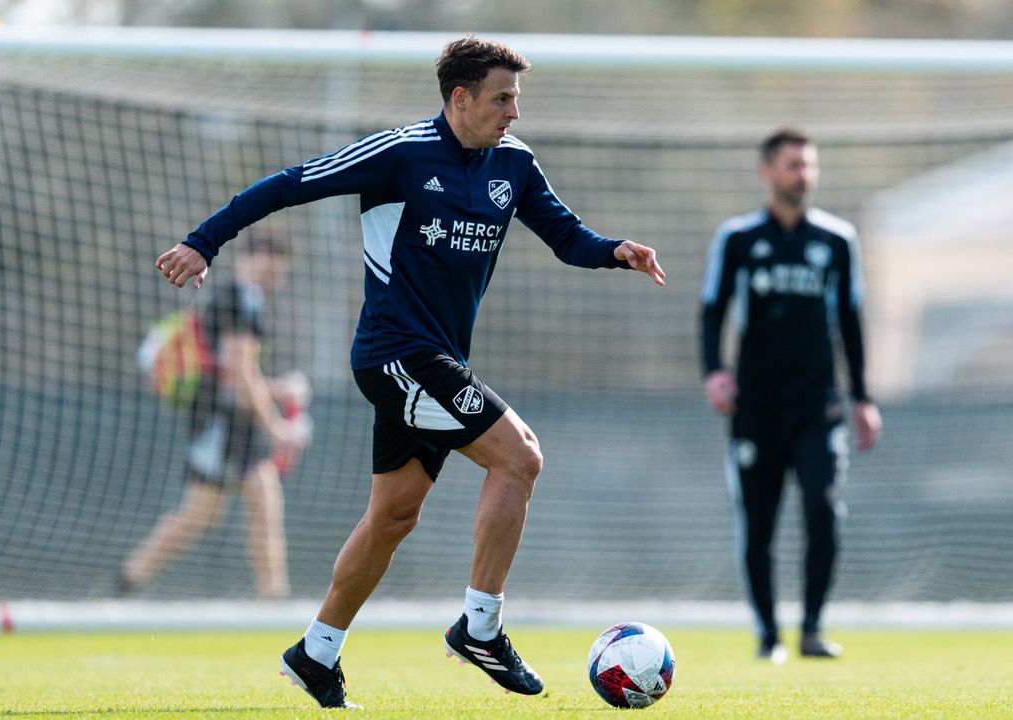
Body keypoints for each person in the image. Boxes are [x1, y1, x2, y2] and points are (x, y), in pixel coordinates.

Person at [156, 36, 666, 709]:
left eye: (517, 98)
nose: (514, 112)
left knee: (394, 515)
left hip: (440, 361)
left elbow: (567, 238)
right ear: (459, 98)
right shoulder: (398, 154)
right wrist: (203, 241)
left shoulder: (515, 165)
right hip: (395, 353)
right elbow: (287, 185)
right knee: (520, 458)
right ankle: (481, 628)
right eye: (501, 98)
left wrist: (614, 252)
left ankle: (316, 652)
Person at [699, 128, 882, 664]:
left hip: (818, 409)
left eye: (809, 165)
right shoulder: (737, 238)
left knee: (824, 512)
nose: (803, 175)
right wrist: (714, 372)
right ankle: (767, 636)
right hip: (754, 408)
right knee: (758, 525)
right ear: (767, 172)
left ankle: (812, 629)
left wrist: (863, 397)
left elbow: (851, 318)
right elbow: (713, 309)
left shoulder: (836, 239)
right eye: (792, 165)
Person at [120, 230, 306, 601]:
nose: (279, 278)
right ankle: (124, 583)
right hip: (221, 424)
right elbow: (238, 377)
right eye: (277, 268)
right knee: (203, 514)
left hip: (231, 422)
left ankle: (275, 599)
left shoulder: (240, 298)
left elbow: (238, 373)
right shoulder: (239, 300)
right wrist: (277, 426)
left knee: (256, 505)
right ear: (263, 258)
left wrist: (276, 389)